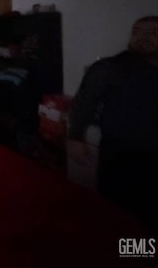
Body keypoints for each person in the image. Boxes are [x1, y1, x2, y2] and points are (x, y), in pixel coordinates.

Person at [67, 16, 158, 234]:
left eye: (154, 32)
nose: (144, 36)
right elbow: (83, 103)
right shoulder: (110, 67)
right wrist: (75, 137)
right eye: (138, 31)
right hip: (121, 154)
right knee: (118, 217)